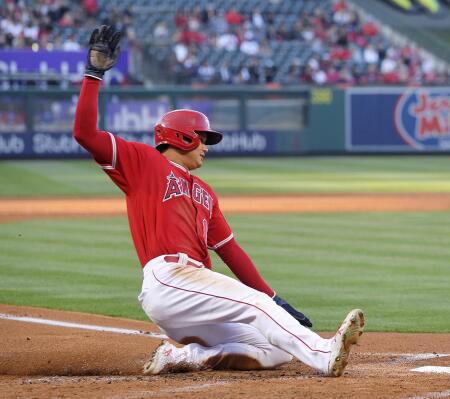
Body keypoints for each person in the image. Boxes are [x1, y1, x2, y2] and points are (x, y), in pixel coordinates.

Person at [73, 25, 364, 376]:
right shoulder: (143, 163)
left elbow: (231, 252)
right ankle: (323, 354)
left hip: (195, 294)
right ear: (181, 137)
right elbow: (85, 133)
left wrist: (276, 299)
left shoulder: (205, 192)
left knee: (273, 350)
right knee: (253, 304)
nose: (206, 147)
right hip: (169, 278)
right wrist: (94, 74)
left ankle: (181, 357)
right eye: (202, 138)